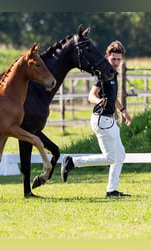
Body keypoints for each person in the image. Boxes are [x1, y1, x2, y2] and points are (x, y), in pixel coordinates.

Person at [61, 40, 132, 198]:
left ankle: (112, 190)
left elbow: (113, 97)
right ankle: (72, 162)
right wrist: (99, 100)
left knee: (120, 155)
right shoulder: (102, 74)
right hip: (101, 119)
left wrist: (123, 111)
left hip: (110, 120)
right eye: (113, 59)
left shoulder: (113, 73)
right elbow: (91, 95)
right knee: (110, 157)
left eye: (119, 59)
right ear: (107, 57)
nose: (116, 62)